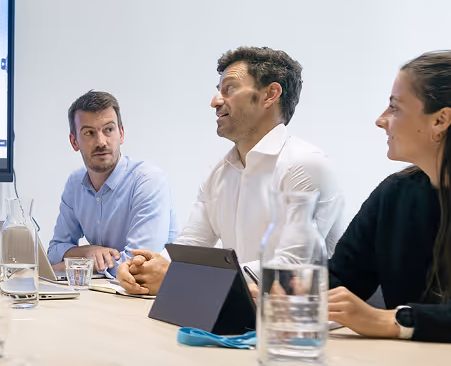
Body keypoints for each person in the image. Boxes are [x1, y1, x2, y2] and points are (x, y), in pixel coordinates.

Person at [325, 51, 451, 344]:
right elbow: (341, 281)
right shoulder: (394, 194)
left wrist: (397, 320)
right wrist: (278, 293)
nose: (380, 120)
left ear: (441, 120)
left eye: (394, 108)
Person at [119, 46, 344, 294]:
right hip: (240, 314)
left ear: (270, 94)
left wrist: (179, 277)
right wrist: (144, 267)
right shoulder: (217, 172)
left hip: (302, 324)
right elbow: (191, 244)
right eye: (218, 91)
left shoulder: (306, 164)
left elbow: (289, 268)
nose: (215, 101)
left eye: (230, 88)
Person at [47, 90, 177, 276]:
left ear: (121, 134)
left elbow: (138, 265)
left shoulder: (148, 182)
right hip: (104, 293)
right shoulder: (75, 183)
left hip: (149, 296)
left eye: (108, 130)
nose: (101, 142)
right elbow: (55, 251)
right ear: (74, 141)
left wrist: (73, 265)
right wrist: (87, 251)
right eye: (89, 133)